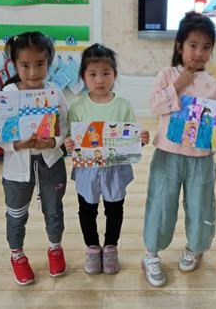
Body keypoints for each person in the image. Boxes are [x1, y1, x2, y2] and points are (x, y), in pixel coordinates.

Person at [141, 11, 216, 287]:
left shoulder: (213, 85)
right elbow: (155, 106)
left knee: (201, 205)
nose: (199, 53)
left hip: (201, 157)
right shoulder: (167, 74)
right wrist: (179, 84)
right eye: (193, 45)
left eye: (206, 47)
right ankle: (151, 254)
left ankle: (195, 248)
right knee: (160, 203)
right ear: (180, 46)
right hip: (167, 155)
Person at [64, 44, 150, 275]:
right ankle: (92, 247)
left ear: (114, 75)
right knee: (87, 209)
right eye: (92, 74)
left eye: (106, 73)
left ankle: (111, 246)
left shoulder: (123, 105)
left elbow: (131, 138)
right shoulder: (78, 106)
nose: (100, 80)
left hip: (115, 169)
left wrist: (140, 139)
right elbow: (71, 138)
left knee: (114, 209)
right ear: (83, 76)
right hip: (87, 170)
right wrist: (69, 143)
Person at [0, 32, 69, 285]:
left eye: (40, 64)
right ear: (14, 65)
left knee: (54, 210)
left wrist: (53, 142)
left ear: (49, 62)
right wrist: (17, 144)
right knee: (16, 213)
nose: (33, 72)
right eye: (25, 65)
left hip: (51, 162)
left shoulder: (55, 93)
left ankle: (55, 248)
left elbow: (64, 125)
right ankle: (17, 256)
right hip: (17, 167)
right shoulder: (7, 93)